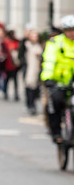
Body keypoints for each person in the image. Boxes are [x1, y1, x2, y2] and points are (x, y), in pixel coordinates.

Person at [41, 15, 74, 144]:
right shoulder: (55, 43)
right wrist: (48, 78)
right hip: (59, 81)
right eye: (69, 30)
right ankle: (56, 133)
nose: (71, 33)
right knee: (55, 102)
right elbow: (49, 61)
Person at [23, 27, 44, 116]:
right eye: (33, 36)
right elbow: (21, 56)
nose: (35, 37)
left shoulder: (40, 46)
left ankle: (33, 104)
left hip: (37, 70)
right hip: (28, 69)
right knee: (29, 87)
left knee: (36, 88)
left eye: (36, 36)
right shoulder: (26, 45)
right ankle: (30, 105)